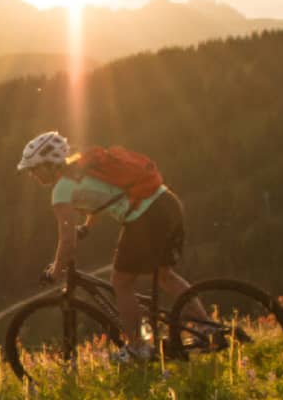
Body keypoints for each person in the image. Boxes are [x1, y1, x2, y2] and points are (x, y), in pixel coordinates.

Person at [16, 130, 188, 361]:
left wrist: (57, 270)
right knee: (166, 276)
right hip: (167, 203)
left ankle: (138, 348)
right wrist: (87, 225)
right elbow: (103, 196)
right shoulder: (83, 165)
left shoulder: (61, 190)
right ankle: (210, 330)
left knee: (121, 282)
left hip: (146, 216)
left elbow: (67, 241)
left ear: (49, 164)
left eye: (34, 168)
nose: (33, 175)